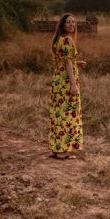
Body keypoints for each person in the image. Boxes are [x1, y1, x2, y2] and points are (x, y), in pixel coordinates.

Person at [48, 13, 85, 158]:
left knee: (59, 114)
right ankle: (64, 151)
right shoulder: (68, 39)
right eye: (69, 22)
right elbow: (68, 63)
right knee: (68, 115)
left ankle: (56, 149)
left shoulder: (57, 39)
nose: (72, 25)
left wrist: (77, 63)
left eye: (73, 22)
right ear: (63, 25)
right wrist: (73, 85)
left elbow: (63, 61)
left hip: (58, 81)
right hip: (67, 81)